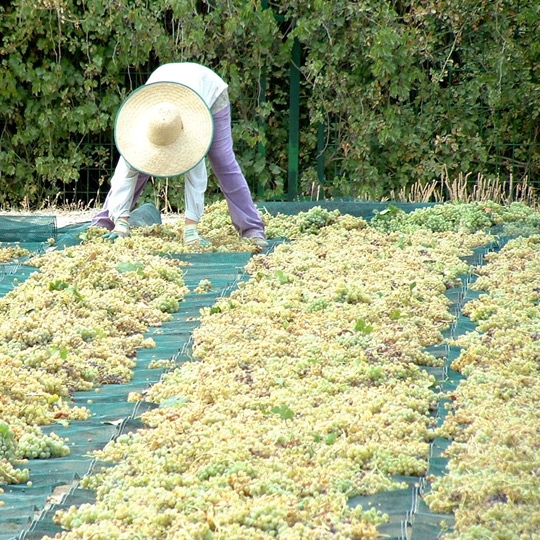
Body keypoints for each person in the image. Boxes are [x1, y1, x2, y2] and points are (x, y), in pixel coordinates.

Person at [91, 62, 268, 247]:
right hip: (163, 87)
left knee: (223, 161)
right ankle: (105, 224)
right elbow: (124, 175)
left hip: (209, 92)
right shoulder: (147, 124)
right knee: (141, 163)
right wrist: (121, 222)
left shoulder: (193, 137)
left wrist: (191, 228)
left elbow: (196, 179)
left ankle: (252, 229)